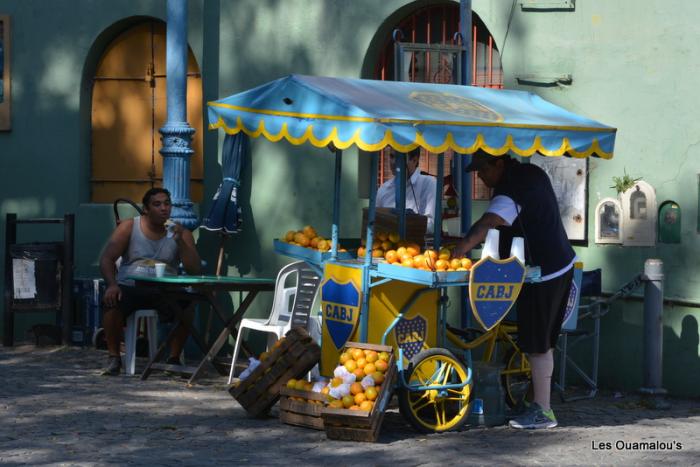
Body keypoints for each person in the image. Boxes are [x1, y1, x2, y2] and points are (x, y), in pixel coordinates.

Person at [452, 150, 575, 430]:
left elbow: (490, 222)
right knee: (541, 341)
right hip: (557, 264)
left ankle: (543, 413)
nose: (480, 177)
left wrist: (458, 250)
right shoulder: (529, 174)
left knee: (538, 343)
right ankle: (534, 402)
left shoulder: (512, 188)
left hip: (545, 271)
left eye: (482, 170)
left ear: (499, 164)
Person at [100, 188, 201, 376]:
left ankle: (173, 359)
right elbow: (106, 259)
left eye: (167, 204)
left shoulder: (181, 232)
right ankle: (114, 358)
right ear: (146, 209)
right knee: (111, 302)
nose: (164, 209)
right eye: (157, 204)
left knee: (188, 305)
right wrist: (112, 284)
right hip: (131, 286)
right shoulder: (130, 227)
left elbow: (194, 269)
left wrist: (181, 242)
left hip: (164, 289)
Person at [376, 148, 437, 232]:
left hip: (417, 244)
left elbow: (431, 226)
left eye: (399, 158)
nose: (393, 162)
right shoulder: (383, 189)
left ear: (414, 160)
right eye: (392, 156)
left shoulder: (428, 183)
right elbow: (375, 223)